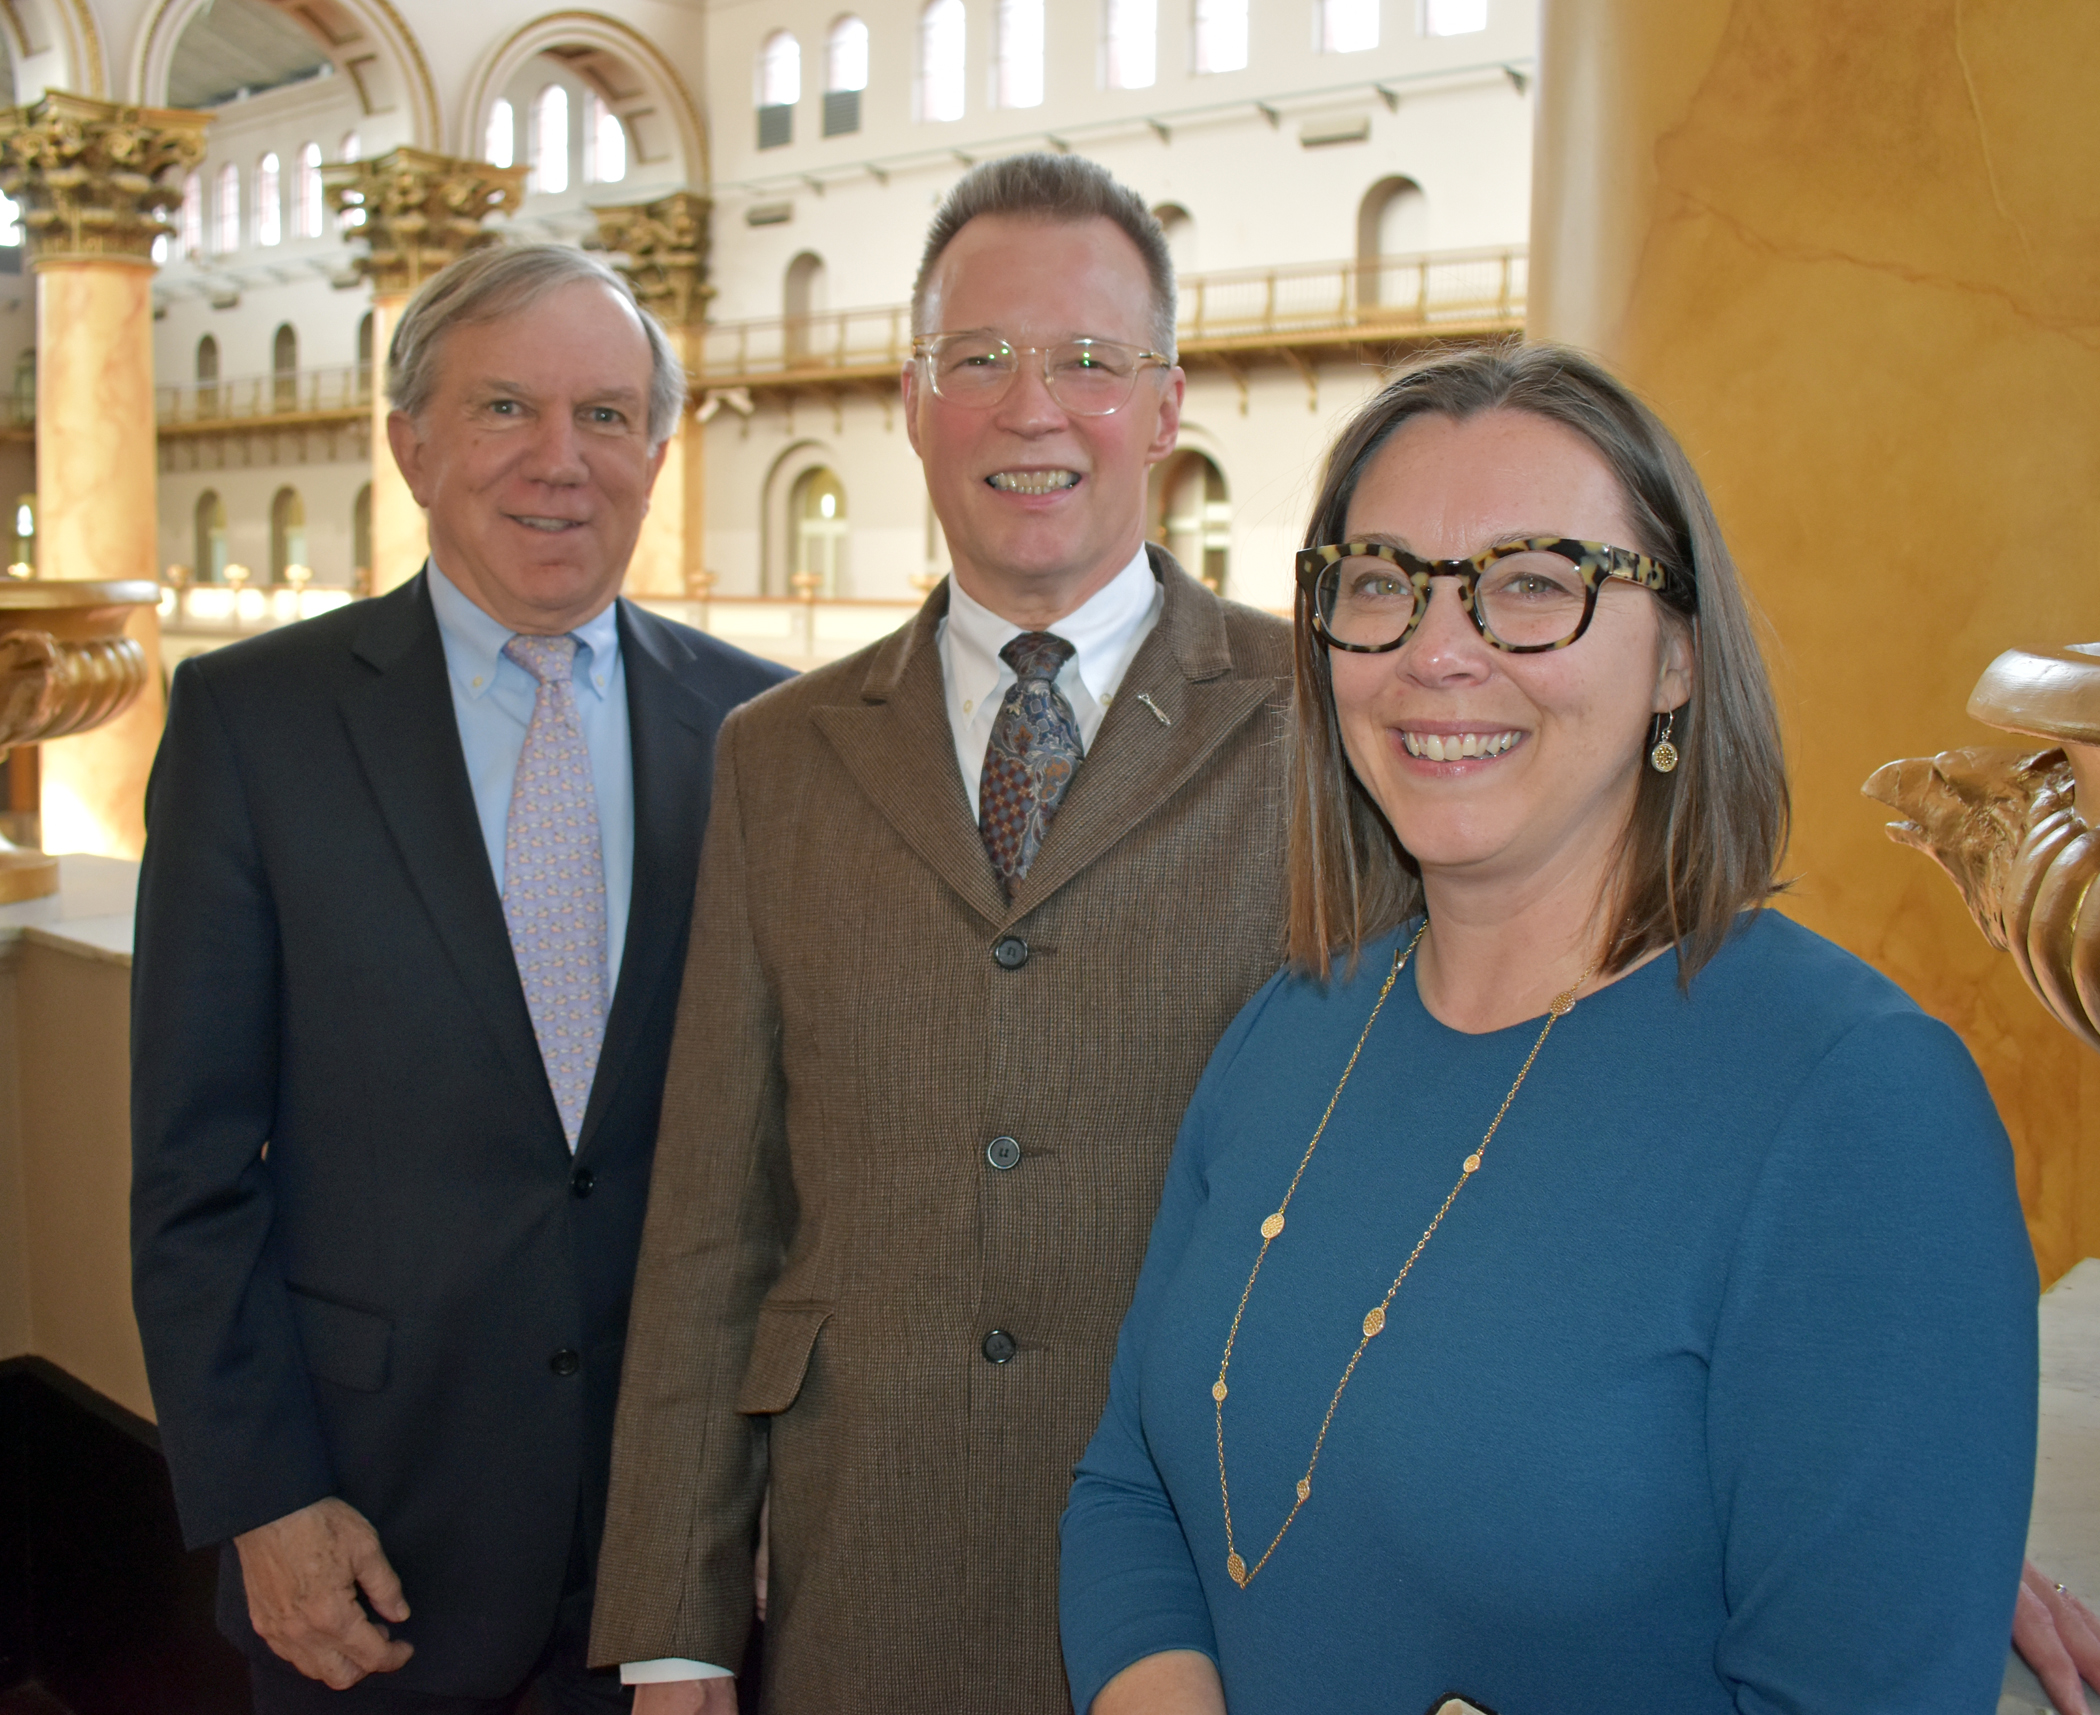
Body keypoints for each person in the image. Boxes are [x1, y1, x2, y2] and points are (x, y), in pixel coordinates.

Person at [1059, 343, 2040, 1713]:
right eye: (1383, 584)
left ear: (1679, 660)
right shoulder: (1295, 1025)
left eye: (1534, 584)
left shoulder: (1860, 1105)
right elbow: (1132, 1495)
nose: (1437, 651)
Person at [587, 154, 1293, 1712]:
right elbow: (716, 1213)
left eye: (1090, 361)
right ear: (914, 400)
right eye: (978, 358)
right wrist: (678, 1625)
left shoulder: (1319, 725)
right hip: (860, 1572)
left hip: (1215, 1583)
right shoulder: (778, 757)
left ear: (1167, 407)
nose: (1032, 409)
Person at [129, 242, 789, 1711]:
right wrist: (262, 1497)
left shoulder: (765, 733)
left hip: (672, 1565)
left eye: (607, 416)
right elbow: (191, 1170)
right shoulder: (258, 726)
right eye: (507, 409)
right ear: (412, 443)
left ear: (659, 451)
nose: (562, 462)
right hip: (366, 1549)